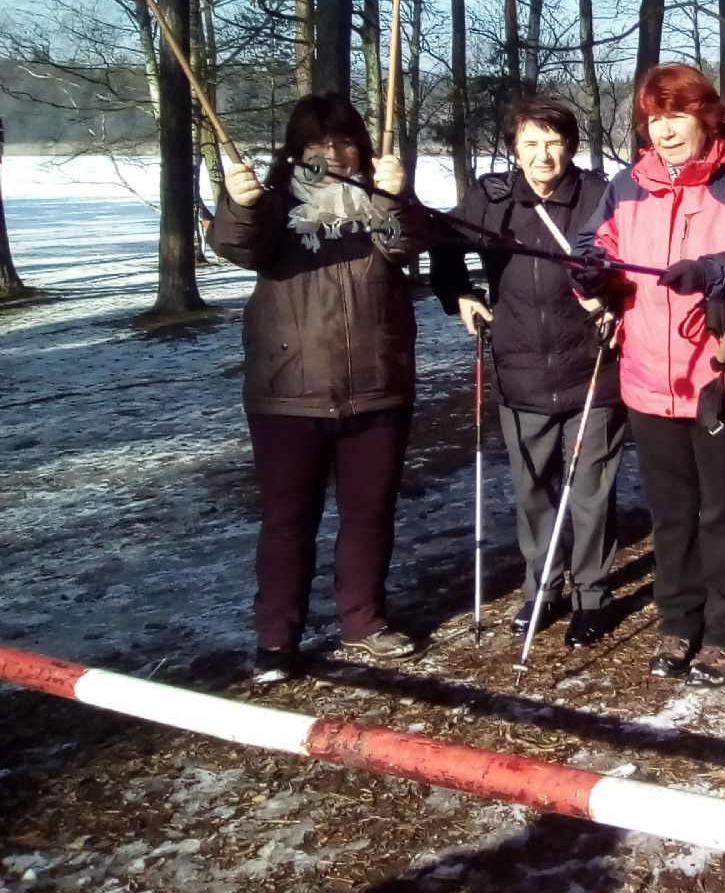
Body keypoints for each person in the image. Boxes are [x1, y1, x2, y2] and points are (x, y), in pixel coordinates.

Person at [573, 64, 725, 687]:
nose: (664, 131)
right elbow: (595, 244)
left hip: (718, 375)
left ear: (706, 115)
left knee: (723, 513)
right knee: (671, 512)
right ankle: (678, 620)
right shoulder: (626, 184)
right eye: (655, 119)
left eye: (676, 116)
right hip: (647, 379)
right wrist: (589, 271)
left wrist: (711, 272)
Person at [213, 93, 423, 682]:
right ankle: (277, 640)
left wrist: (395, 196)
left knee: (369, 514)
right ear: (296, 151)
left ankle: (364, 621)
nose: (331, 155)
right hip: (288, 391)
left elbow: (406, 244)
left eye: (343, 142)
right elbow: (236, 245)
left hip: (377, 386)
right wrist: (240, 204)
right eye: (315, 145)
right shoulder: (273, 206)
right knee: (287, 519)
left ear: (359, 146)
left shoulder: (380, 199)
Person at [429, 96, 624, 647]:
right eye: (530, 144)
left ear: (571, 147)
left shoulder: (597, 196)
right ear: (515, 149)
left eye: (553, 142)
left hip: (592, 366)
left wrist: (613, 302)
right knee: (534, 488)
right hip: (519, 366)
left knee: (590, 490)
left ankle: (592, 592)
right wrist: (461, 294)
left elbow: (628, 263)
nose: (543, 156)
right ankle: (543, 587)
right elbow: (444, 246)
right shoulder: (494, 200)